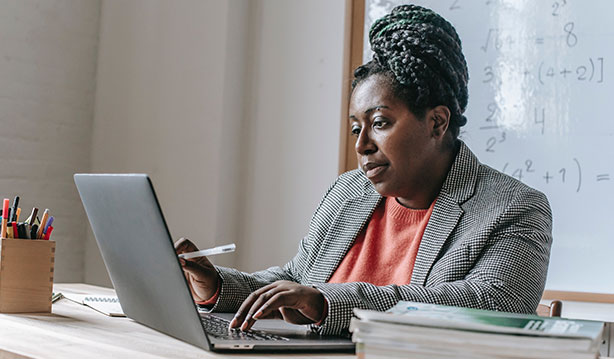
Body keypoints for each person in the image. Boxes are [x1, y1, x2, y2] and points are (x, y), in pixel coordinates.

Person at [175, 4, 552, 337]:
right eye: (357, 127)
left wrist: (326, 302)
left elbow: (489, 306)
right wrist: (217, 285)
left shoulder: (514, 208)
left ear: (437, 122)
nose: (362, 145)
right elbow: (295, 280)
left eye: (381, 123)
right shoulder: (348, 191)